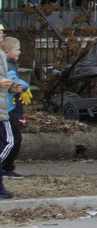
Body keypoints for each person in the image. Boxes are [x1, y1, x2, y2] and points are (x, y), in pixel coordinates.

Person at [1, 37, 26, 180]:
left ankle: (7, 167)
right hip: (8, 109)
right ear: (7, 51)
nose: (20, 52)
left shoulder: (11, 64)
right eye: (17, 49)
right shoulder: (7, 65)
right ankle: (6, 167)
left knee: (12, 139)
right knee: (13, 139)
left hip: (12, 106)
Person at [0, 24, 19, 199]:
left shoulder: (1, 55)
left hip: (3, 107)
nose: (2, 35)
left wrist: (12, 87)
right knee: (9, 141)